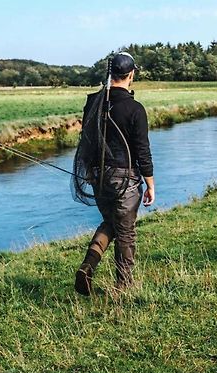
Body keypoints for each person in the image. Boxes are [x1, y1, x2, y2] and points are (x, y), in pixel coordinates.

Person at [74, 52, 155, 296]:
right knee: (126, 233)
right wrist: (150, 184)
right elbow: (143, 151)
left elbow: (86, 141)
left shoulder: (93, 102)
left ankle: (87, 268)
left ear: (110, 74)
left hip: (98, 176)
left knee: (111, 221)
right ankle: (124, 287)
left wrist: (89, 172)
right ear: (131, 74)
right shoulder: (135, 108)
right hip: (125, 179)